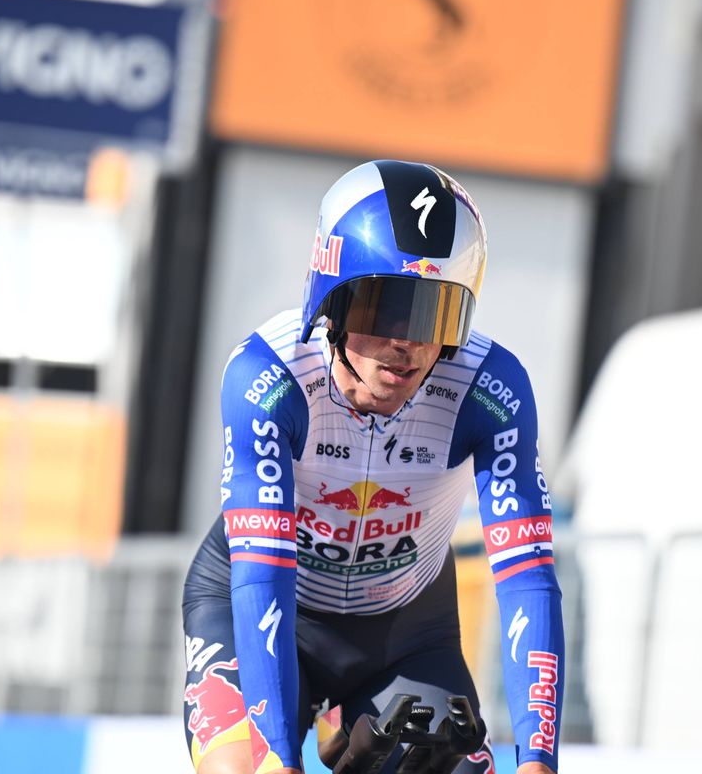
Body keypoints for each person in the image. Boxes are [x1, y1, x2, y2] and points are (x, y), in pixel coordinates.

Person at [182, 160, 564, 774]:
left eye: (436, 315)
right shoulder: (269, 377)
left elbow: (527, 578)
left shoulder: (490, 389)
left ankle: (342, 726)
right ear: (331, 302)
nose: (407, 343)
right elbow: (263, 574)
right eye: (387, 309)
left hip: (405, 632)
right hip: (262, 607)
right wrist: (277, 755)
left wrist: (538, 759)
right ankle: (325, 728)